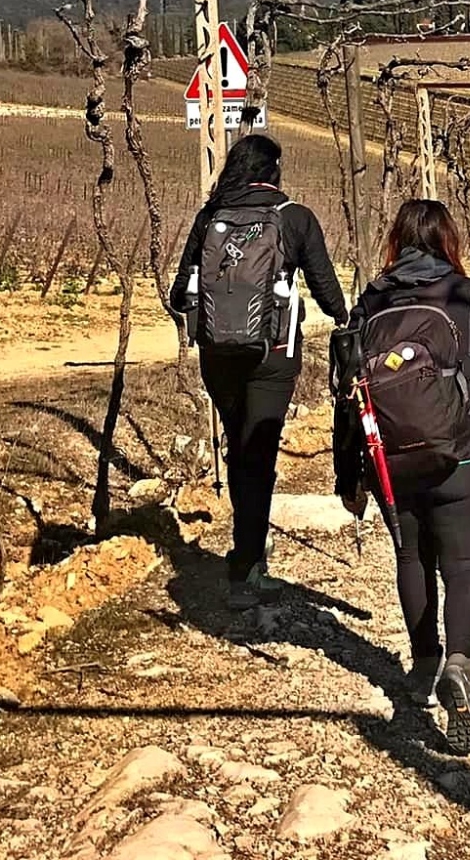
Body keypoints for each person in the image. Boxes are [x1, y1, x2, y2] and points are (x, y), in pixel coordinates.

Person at [336, 199, 470, 755]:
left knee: (412, 558)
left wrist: (351, 472)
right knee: (464, 562)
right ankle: (461, 664)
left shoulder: (371, 300)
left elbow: (345, 389)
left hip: (392, 458)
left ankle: (423, 662)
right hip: (461, 452)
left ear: (395, 241)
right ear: (449, 241)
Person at [170, 133, 348, 612]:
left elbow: (177, 292)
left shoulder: (210, 217)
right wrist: (347, 320)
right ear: (274, 170)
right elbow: (328, 290)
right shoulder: (295, 218)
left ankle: (246, 556)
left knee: (238, 449)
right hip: (273, 355)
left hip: (217, 356)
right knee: (259, 454)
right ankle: (247, 565)